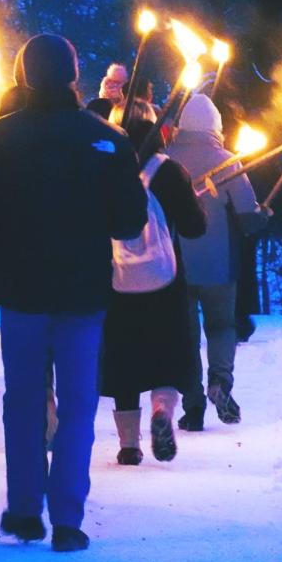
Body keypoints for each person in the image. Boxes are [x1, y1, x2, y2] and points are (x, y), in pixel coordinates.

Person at [0, 34, 147, 551]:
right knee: (78, 401)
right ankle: (68, 517)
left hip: (21, 290)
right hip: (83, 290)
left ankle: (23, 509)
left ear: (23, 76)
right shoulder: (106, 139)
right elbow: (130, 222)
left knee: (21, 399)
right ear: (72, 75)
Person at [101, 117, 206, 465]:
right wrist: (194, 202)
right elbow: (193, 228)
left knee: (124, 359)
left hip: (117, 281)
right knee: (167, 352)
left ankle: (129, 444)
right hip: (165, 280)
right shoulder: (172, 172)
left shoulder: (110, 172)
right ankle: (161, 409)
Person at [166, 94, 268, 430]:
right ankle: (220, 383)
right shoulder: (227, 161)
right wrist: (262, 213)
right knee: (222, 327)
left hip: (175, 267)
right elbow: (247, 218)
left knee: (186, 336)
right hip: (219, 265)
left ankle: (192, 406)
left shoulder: (163, 160)